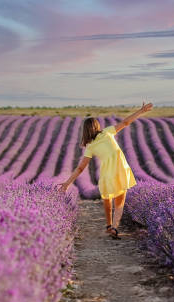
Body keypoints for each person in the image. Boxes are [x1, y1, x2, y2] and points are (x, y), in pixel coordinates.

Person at [57, 102, 154, 239]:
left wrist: (67, 183)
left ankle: (109, 226)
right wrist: (140, 111)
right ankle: (114, 227)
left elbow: (80, 168)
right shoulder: (107, 132)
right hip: (121, 170)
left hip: (107, 174)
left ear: (85, 131)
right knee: (119, 203)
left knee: (107, 198)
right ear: (97, 126)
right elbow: (126, 122)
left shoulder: (90, 146)